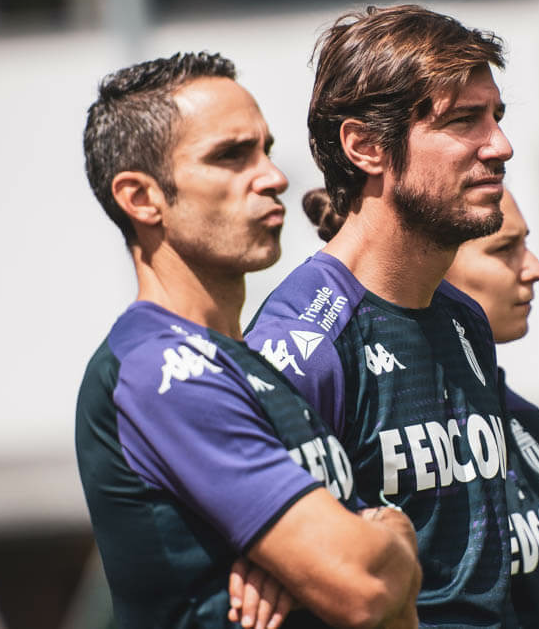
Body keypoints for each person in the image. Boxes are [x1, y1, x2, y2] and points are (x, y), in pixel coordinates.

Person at [74, 51, 420, 629]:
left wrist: (373, 540)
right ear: (141, 198)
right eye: (231, 156)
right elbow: (367, 589)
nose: (274, 177)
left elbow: (389, 603)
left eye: (265, 149)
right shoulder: (161, 369)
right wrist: (391, 530)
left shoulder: (253, 364)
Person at [245, 6, 517, 626]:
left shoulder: (465, 320)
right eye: (463, 120)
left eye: (496, 117)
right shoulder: (303, 344)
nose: (500, 145)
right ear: (365, 146)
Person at [303, 188, 539, 627]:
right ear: (432, 265)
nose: (535, 268)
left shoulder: (530, 424)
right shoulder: (369, 416)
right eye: (504, 249)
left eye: (525, 244)